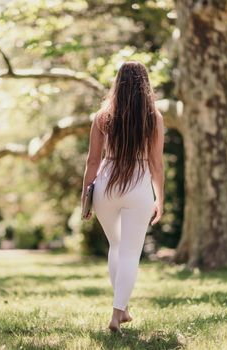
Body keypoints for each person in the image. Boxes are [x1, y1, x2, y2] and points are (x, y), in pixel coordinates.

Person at [80, 61, 165, 334]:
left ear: (118, 83)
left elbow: (93, 161)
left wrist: (86, 197)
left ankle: (123, 308)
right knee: (129, 251)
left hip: (106, 184)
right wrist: (160, 198)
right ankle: (117, 314)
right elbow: (157, 164)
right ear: (145, 85)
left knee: (116, 247)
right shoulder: (153, 118)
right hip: (139, 185)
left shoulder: (103, 116)